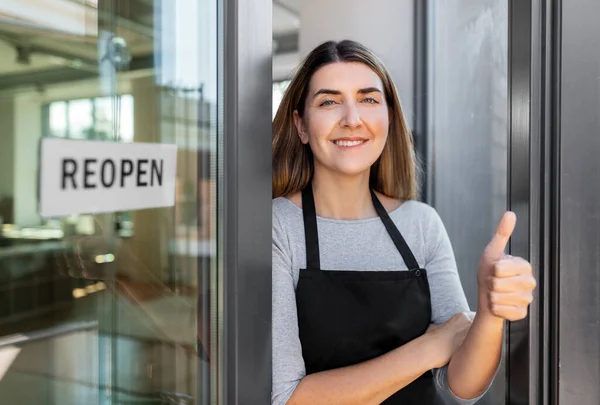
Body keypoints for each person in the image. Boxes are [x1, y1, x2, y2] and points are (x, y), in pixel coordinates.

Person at [271, 40, 536, 405]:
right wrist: (429, 349)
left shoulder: (421, 224)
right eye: (329, 101)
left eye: (368, 99)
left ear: (389, 117)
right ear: (301, 126)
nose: (352, 118)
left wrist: (489, 314)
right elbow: (287, 399)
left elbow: (462, 388)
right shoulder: (279, 226)